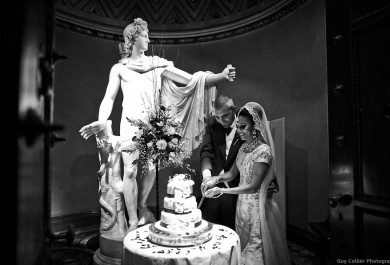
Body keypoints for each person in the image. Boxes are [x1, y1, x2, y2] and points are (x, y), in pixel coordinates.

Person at [79, 18, 236, 232]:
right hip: (129, 125)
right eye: (144, 35)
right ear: (133, 39)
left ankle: (142, 205)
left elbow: (190, 79)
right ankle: (133, 220)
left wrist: (220, 75)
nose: (148, 39)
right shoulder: (119, 69)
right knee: (131, 172)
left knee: (151, 170)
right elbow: (108, 98)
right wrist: (100, 120)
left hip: (153, 125)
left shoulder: (157, 64)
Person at [203, 102, 291, 265]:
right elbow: (231, 174)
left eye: (243, 127)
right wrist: (215, 179)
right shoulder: (243, 147)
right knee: (241, 249)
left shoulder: (263, 151)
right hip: (241, 207)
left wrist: (220, 191)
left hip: (257, 209)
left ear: (256, 126)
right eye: (238, 126)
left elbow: (252, 187)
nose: (239, 131)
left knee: (254, 254)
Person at [200, 95, 278, 230]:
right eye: (217, 117)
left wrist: (270, 183)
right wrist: (212, 179)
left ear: (233, 110)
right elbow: (208, 153)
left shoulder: (248, 124)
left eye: (224, 116)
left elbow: (263, 158)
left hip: (243, 190)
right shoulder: (215, 126)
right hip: (224, 189)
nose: (220, 121)